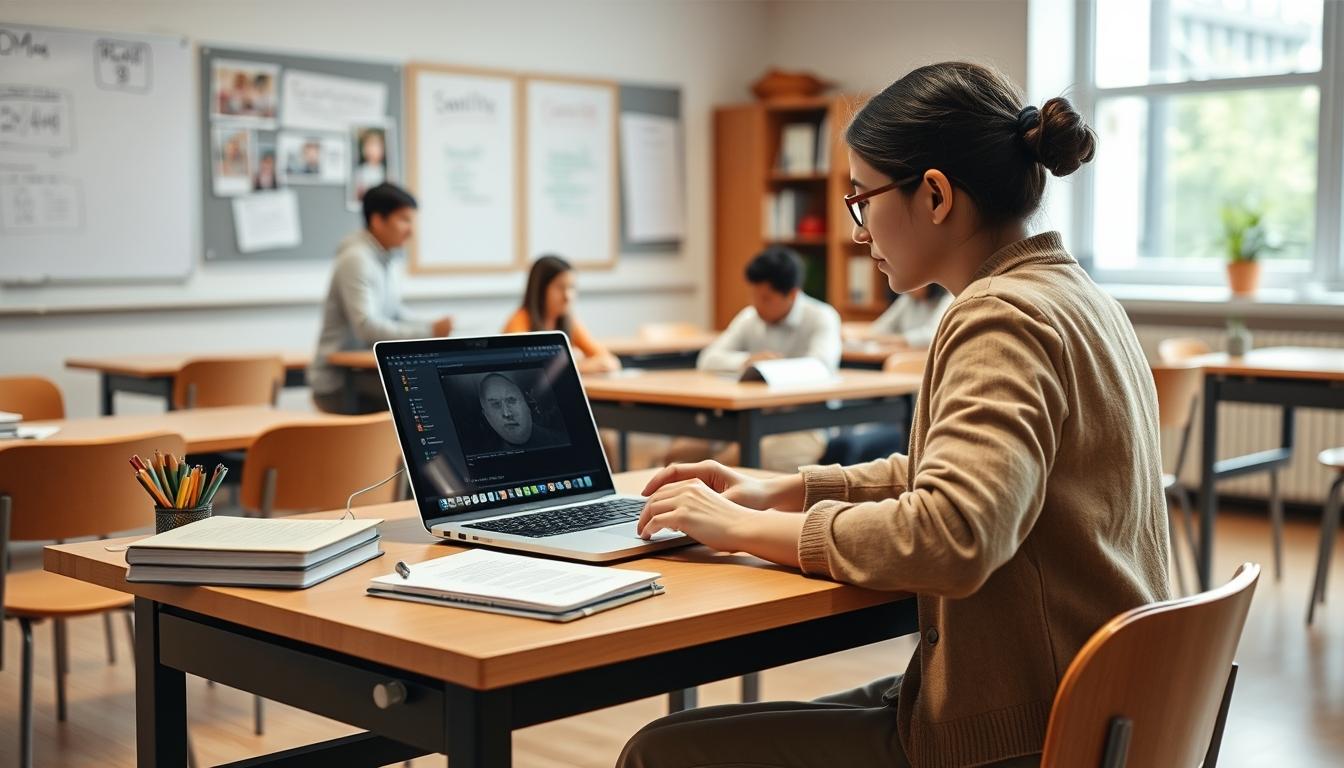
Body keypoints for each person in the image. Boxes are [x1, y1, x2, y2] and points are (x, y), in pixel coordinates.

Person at [620, 62, 1169, 768]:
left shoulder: (999, 315)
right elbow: (961, 477)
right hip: (1099, 706)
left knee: (659, 753)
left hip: (1028, 730)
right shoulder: (1077, 295)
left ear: (935, 195)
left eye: (861, 199)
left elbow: (953, 533)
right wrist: (780, 491)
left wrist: (742, 528)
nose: (858, 231)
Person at [666, 246, 841, 472]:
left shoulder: (821, 317)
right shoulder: (750, 317)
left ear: (792, 294)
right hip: (747, 418)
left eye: (766, 298)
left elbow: (822, 367)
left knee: (731, 461)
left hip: (804, 425)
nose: (756, 304)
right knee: (678, 456)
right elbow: (708, 358)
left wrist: (778, 369)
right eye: (753, 295)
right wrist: (747, 361)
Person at [309, 183, 453, 414]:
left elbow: (395, 313)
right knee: (426, 394)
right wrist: (429, 331)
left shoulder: (383, 259)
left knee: (432, 388)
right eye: (404, 220)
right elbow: (367, 327)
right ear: (377, 220)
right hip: (340, 382)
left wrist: (432, 327)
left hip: (365, 373)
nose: (411, 231)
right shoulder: (357, 259)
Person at [503, 255, 621, 374]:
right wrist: (577, 364)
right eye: (560, 287)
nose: (568, 296)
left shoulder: (569, 321)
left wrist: (570, 365)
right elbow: (527, 368)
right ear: (540, 289)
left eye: (571, 287)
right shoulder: (519, 321)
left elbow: (609, 360)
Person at [475, 373, 565, 452]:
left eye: (511, 400)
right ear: (486, 416)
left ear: (527, 403)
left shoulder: (561, 441)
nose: (507, 414)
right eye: (496, 404)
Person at [848, 283, 953, 348]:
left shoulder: (948, 300)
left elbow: (931, 336)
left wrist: (892, 340)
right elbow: (882, 327)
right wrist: (856, 334)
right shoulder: (908, 299)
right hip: (903, 355)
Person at [352, 127, 387, 203]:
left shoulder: (386, 171)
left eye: (376, 145)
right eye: (369, 145)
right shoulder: (360, 171)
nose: (372, 149)